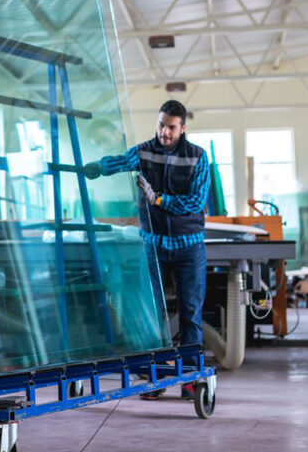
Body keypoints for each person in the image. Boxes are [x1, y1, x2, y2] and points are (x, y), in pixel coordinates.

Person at [83, 99, 209, 401]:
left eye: (171, 127)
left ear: (183, 128)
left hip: (189, 247)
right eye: (161, 125)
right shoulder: (145, 151)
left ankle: (190, 378)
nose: (165, 132)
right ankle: (157, 377)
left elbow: (195, 202)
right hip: (154, 246)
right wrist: (98, 167)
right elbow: (121, 160)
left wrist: (158, 200)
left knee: (190, 313)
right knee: (153, 313)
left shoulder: (198, 157)